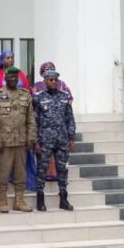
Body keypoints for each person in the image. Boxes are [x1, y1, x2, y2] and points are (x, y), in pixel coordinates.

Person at [0, 67, 35, 213]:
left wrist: (31, 138)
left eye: (15, 76)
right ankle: (2, 201)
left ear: (18, 78)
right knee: (3, 172)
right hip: (4, 141)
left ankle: (19, 201)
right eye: (10, 76)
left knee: (21, 173)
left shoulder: (25, 95)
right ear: (5, 77)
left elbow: (31, 119)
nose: (13, 78)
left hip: (21, 141)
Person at [34, 70, 75, 212]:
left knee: (62, 169)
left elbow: (70, 119)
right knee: (42, 169)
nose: (53, 82)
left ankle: (63, 198)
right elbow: (35, 121)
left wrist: (71, 138)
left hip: (62, 139)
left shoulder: (64, 97)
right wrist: (36, 141)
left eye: (55, 79)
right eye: (50, 79)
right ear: (44, 81)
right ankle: (40, 198)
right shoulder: (39, 98)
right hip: (45, 140)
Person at [0, 51, 30, 185]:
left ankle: (19, 197)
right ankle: (2, 198)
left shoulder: (21, 73)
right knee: (3, 168)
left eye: (12, 58)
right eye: (7, 58)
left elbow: (27, 91)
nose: (10, 60)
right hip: (4, 125)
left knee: (20, 169)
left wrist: (31, 137)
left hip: (19, 126)